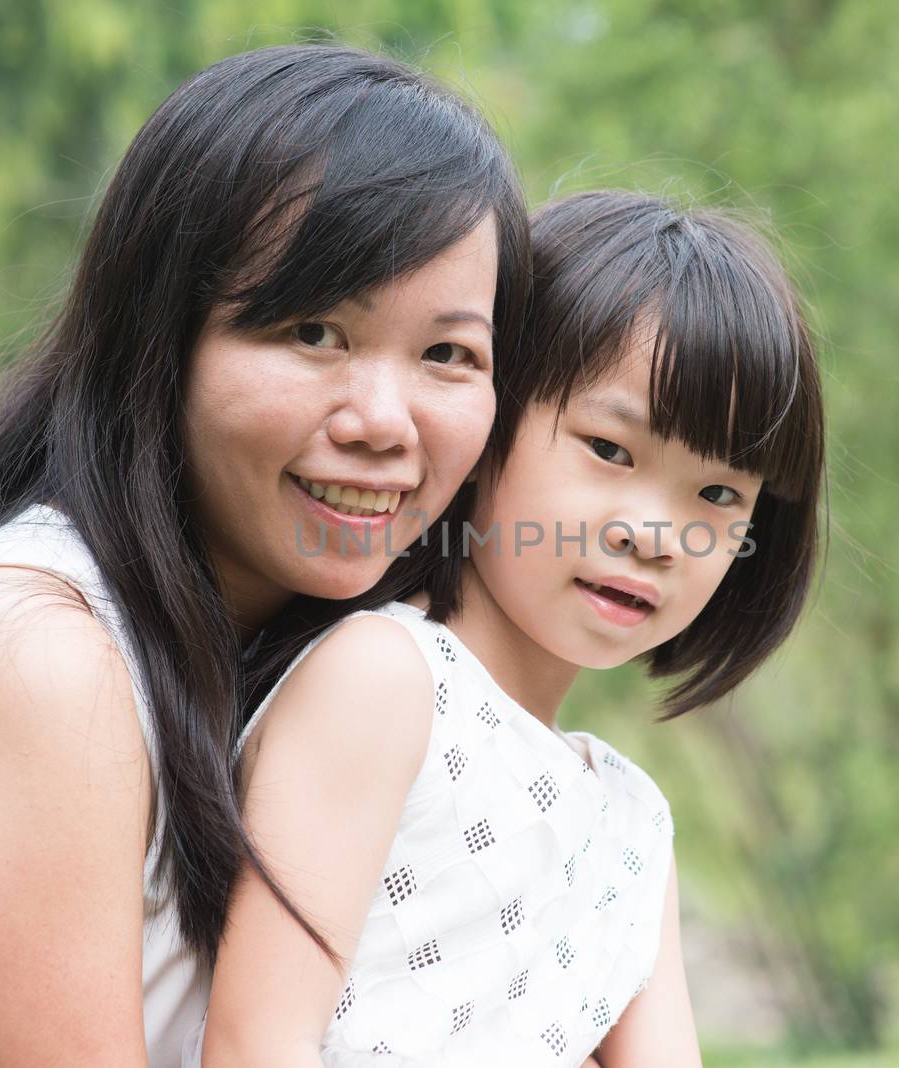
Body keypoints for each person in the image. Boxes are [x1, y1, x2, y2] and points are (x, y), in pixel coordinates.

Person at [0, 45, 528, 1065]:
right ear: (160, 337)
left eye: (449, 354)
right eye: (314, 330)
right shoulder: (27, 660)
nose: (383, 420)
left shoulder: (314, 671)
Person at [194, 190, 825, 1066]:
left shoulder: (632, 827)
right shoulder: (386, 682)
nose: (654, 534)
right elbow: (257, 1048)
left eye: (719, 495)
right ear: (489, 423)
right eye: (610, 450)